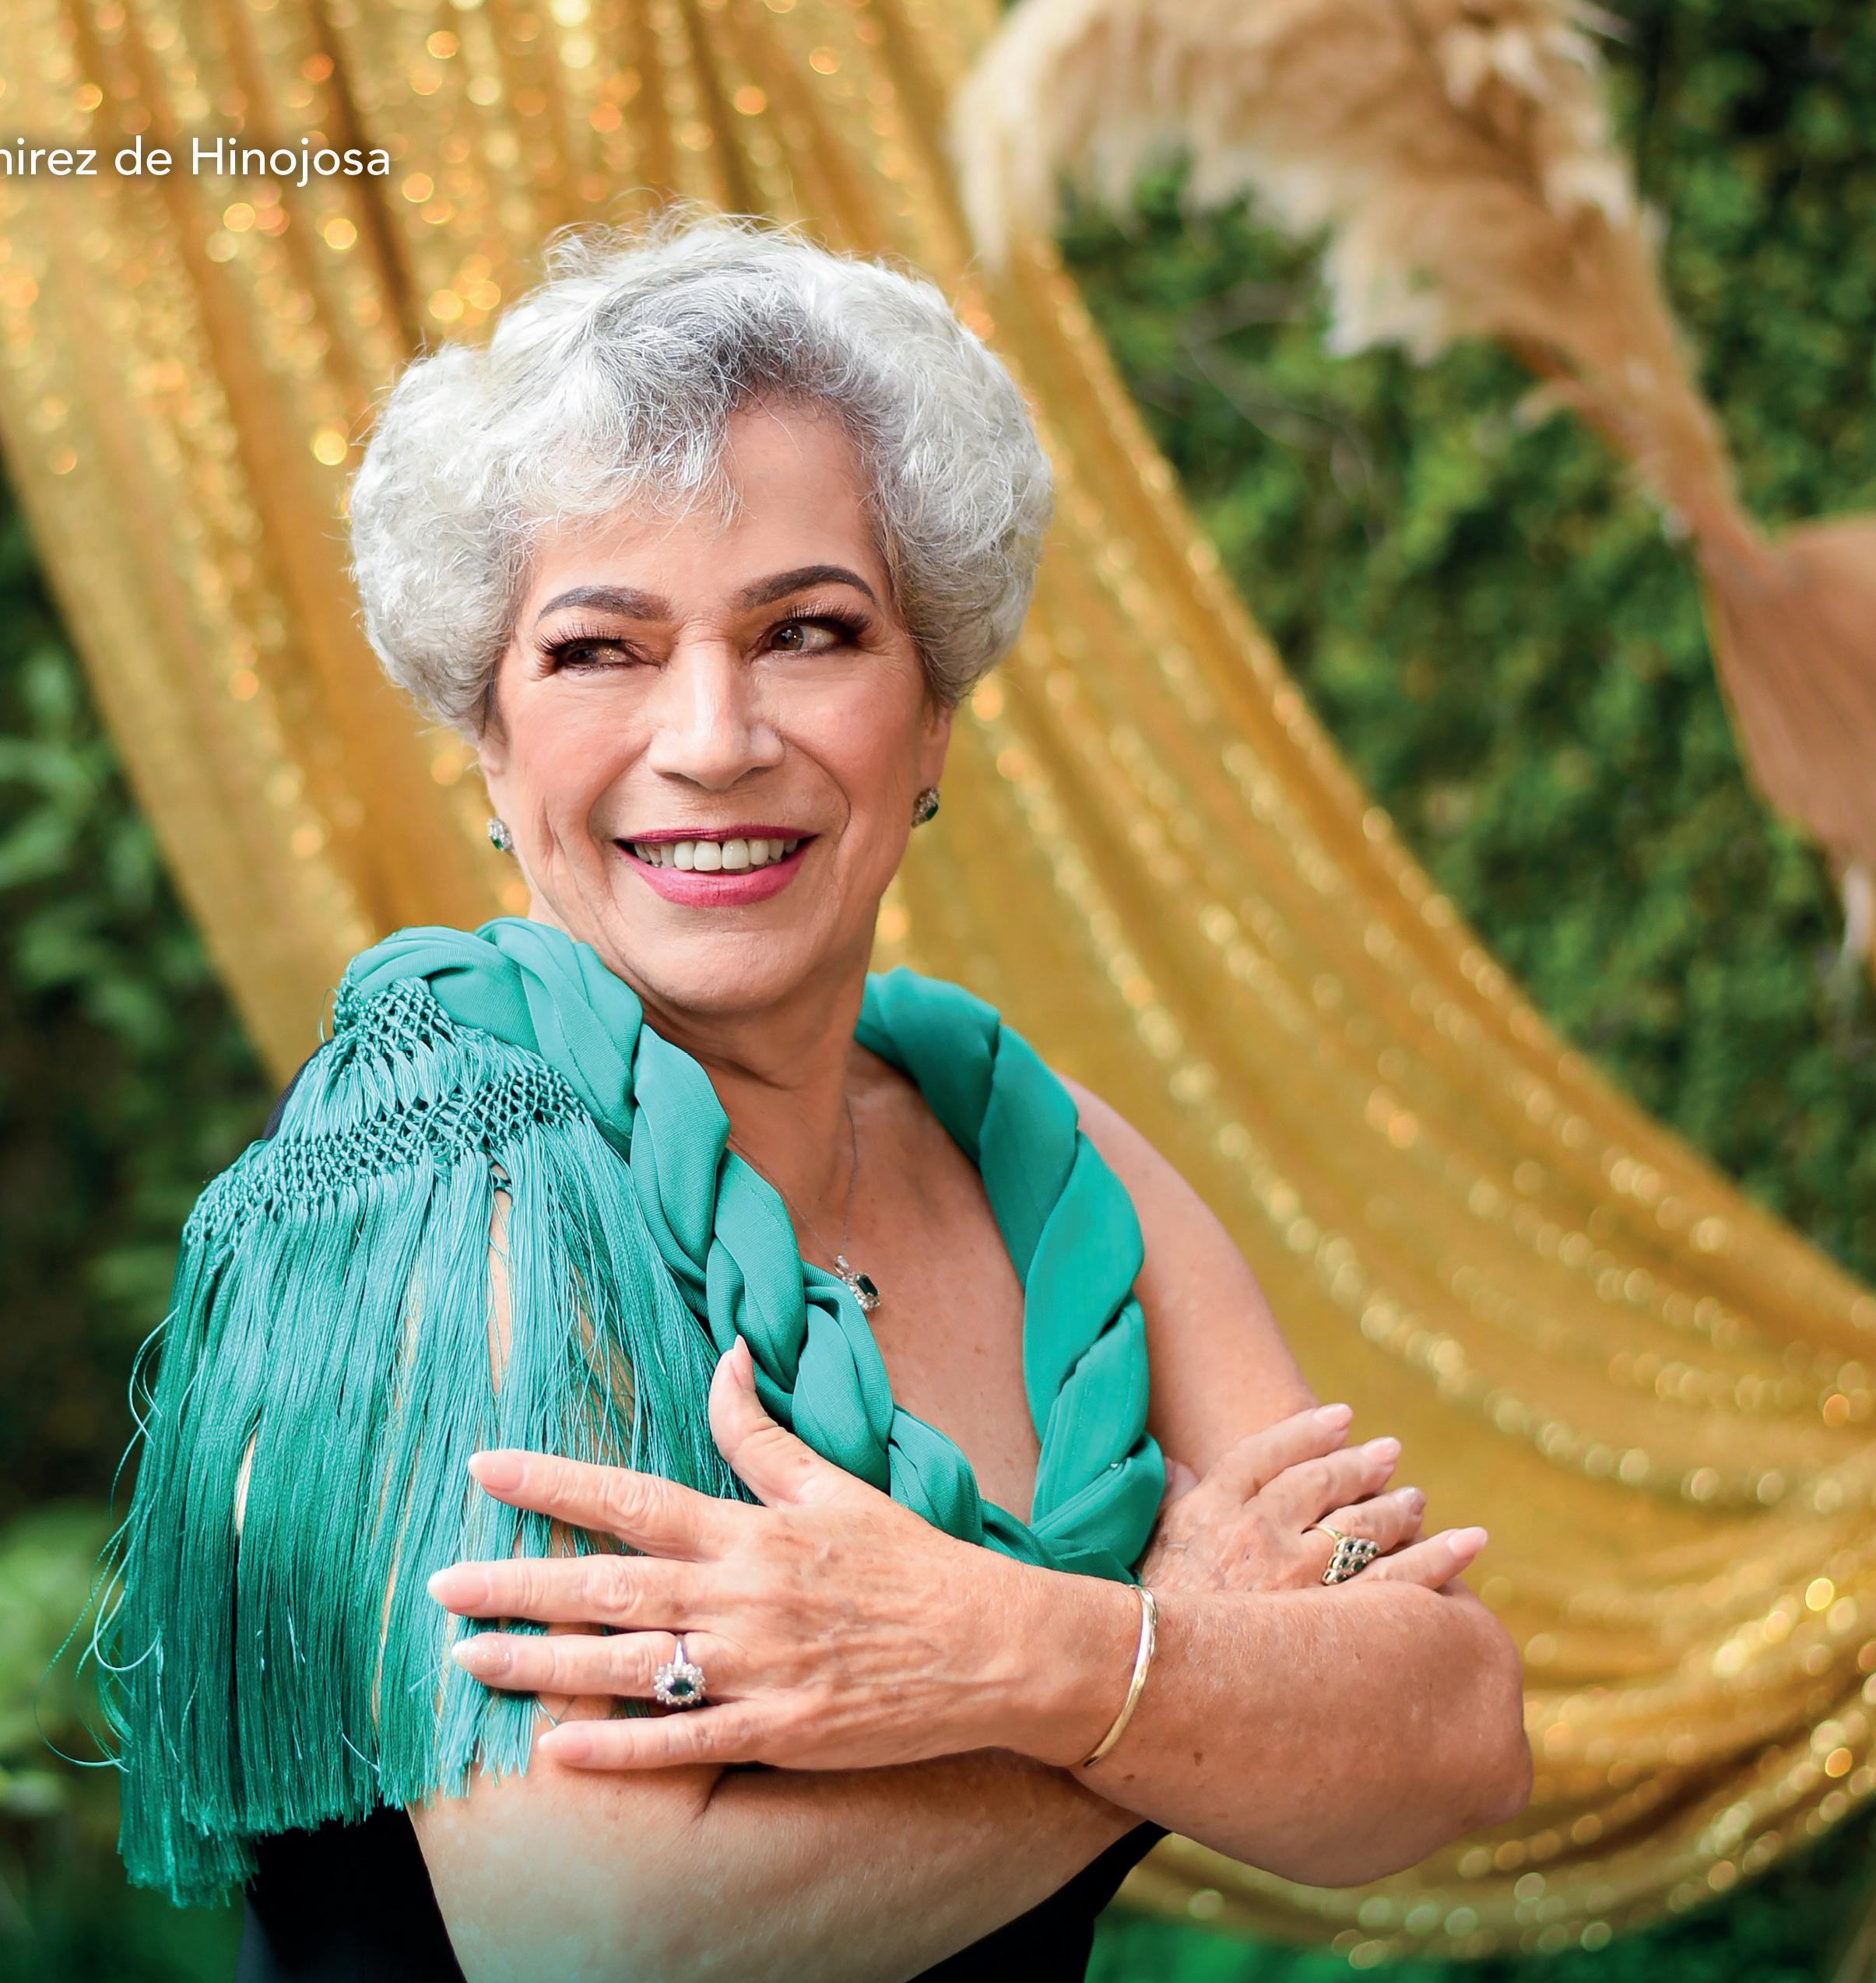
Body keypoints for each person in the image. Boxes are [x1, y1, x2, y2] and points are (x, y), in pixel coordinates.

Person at [93, 208, 1531, 1983]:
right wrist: (1172, 1658)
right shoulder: (435, 1179)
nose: (712, 738)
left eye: (808, 630)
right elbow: (594, 1939)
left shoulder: (1037, 1153)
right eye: (599, 648)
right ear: (487, 737)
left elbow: (1458, 1729)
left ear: (933, 713)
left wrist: (1031, 1652)